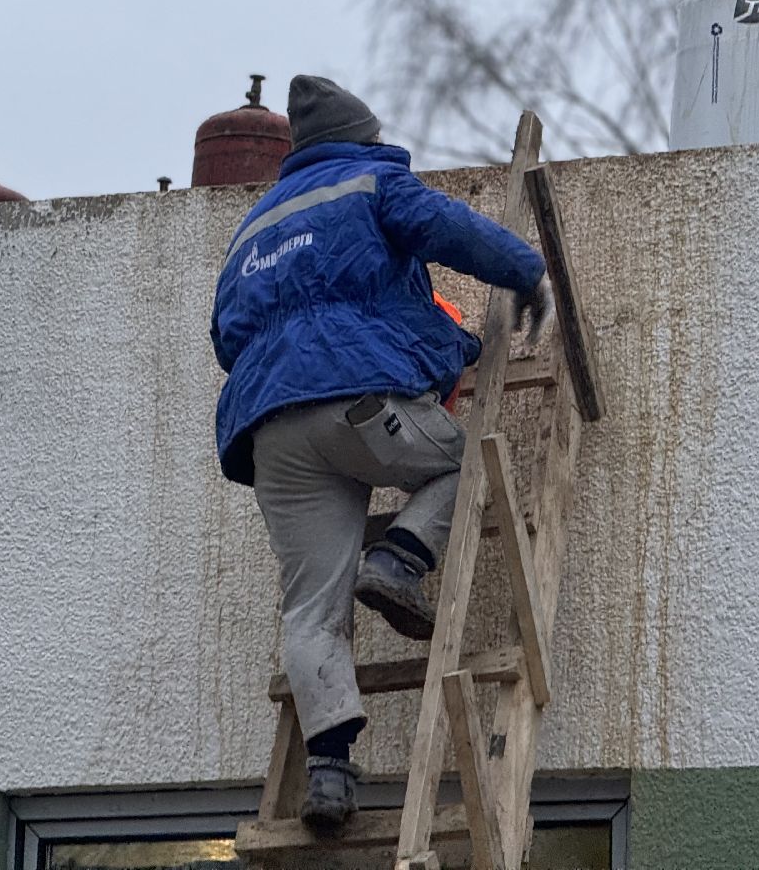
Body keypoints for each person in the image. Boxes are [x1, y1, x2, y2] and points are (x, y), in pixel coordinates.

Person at [210, 75, 553, 834]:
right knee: (469, 461)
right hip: (357, 406)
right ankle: (399, 561)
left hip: (269, 431)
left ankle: (329, 771)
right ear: (364, 137)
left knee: (310, 607)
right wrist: (525, 271)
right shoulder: (373, 181)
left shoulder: (254, 224)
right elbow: (445, 226)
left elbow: (226, 335)